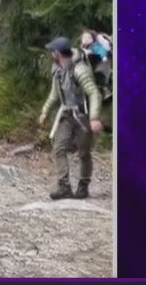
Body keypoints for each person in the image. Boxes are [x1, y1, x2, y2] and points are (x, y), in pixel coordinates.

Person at [38, 36, 104, 200]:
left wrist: (94, 117)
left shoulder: (80, 70)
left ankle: (83, 186)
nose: (51, 54)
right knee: (58, 148)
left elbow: (94, 93)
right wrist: (45, 112)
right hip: (67, 115)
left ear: (58, 53)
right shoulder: (58, 70)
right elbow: (55, 95)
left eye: (53, 51)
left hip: (83, 116)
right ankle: (64, 186)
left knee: (84, 153)